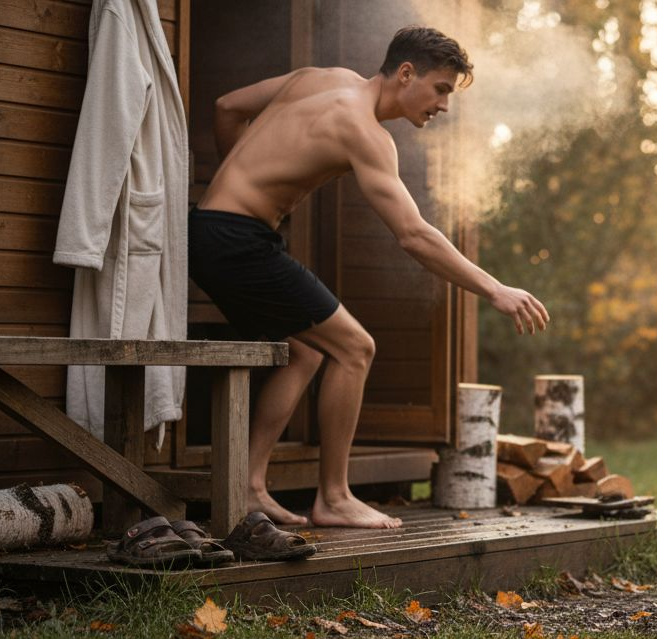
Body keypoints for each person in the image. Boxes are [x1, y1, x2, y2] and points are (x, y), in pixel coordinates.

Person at [190, 26, 548, 530]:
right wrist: (495, 288)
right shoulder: (365, 132)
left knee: (307, 349)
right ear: (406, 73)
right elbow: (413, 236)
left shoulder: (322, 78)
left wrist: (239, 175)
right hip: (238, 242)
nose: (444, 105)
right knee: (355, 348)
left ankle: (248, 487)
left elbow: (228, 106)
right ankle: (333, 497)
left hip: (213, 230)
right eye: (441, 89)